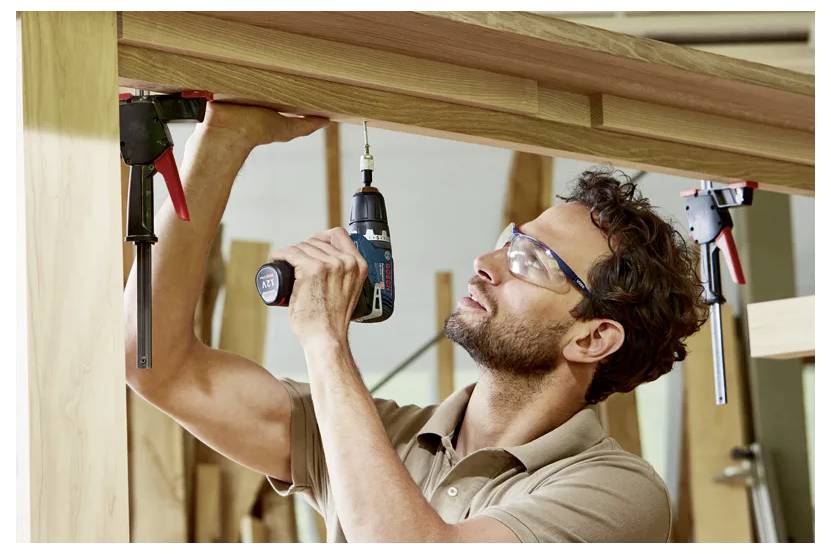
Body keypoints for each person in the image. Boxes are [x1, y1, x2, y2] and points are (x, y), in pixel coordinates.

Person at [125, 102, 707, 543]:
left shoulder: (617, 493)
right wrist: (224, 138)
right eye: (511, 241)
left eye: (531, 261)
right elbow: (153, 362)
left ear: (594, 336)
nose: (486, 263)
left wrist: (326, 341)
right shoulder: (381, 441)